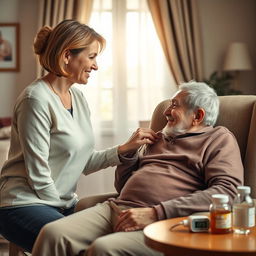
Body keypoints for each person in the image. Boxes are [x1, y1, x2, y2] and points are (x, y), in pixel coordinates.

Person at [0, 20, 160, 253]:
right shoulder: (35, 99)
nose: (95, 66)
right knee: (80, 246)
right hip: (22, 203)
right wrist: (67, 213)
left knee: (113, 241)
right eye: (92, 56)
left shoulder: (79, 99)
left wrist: (124, 149)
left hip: (59, 205)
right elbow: (38, 174)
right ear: (67, 56)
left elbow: (82, 161)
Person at [31, 81, 244, 256]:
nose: (167, 112)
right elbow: (122, 185)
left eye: (175, 105)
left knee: (103, 250)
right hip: (116, 208)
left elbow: (227, 192)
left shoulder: (218, 139)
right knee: (52, 234)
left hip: (164, 223)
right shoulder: (159, 137)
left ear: (197, 116)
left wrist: (155, 212)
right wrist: (130, 153)